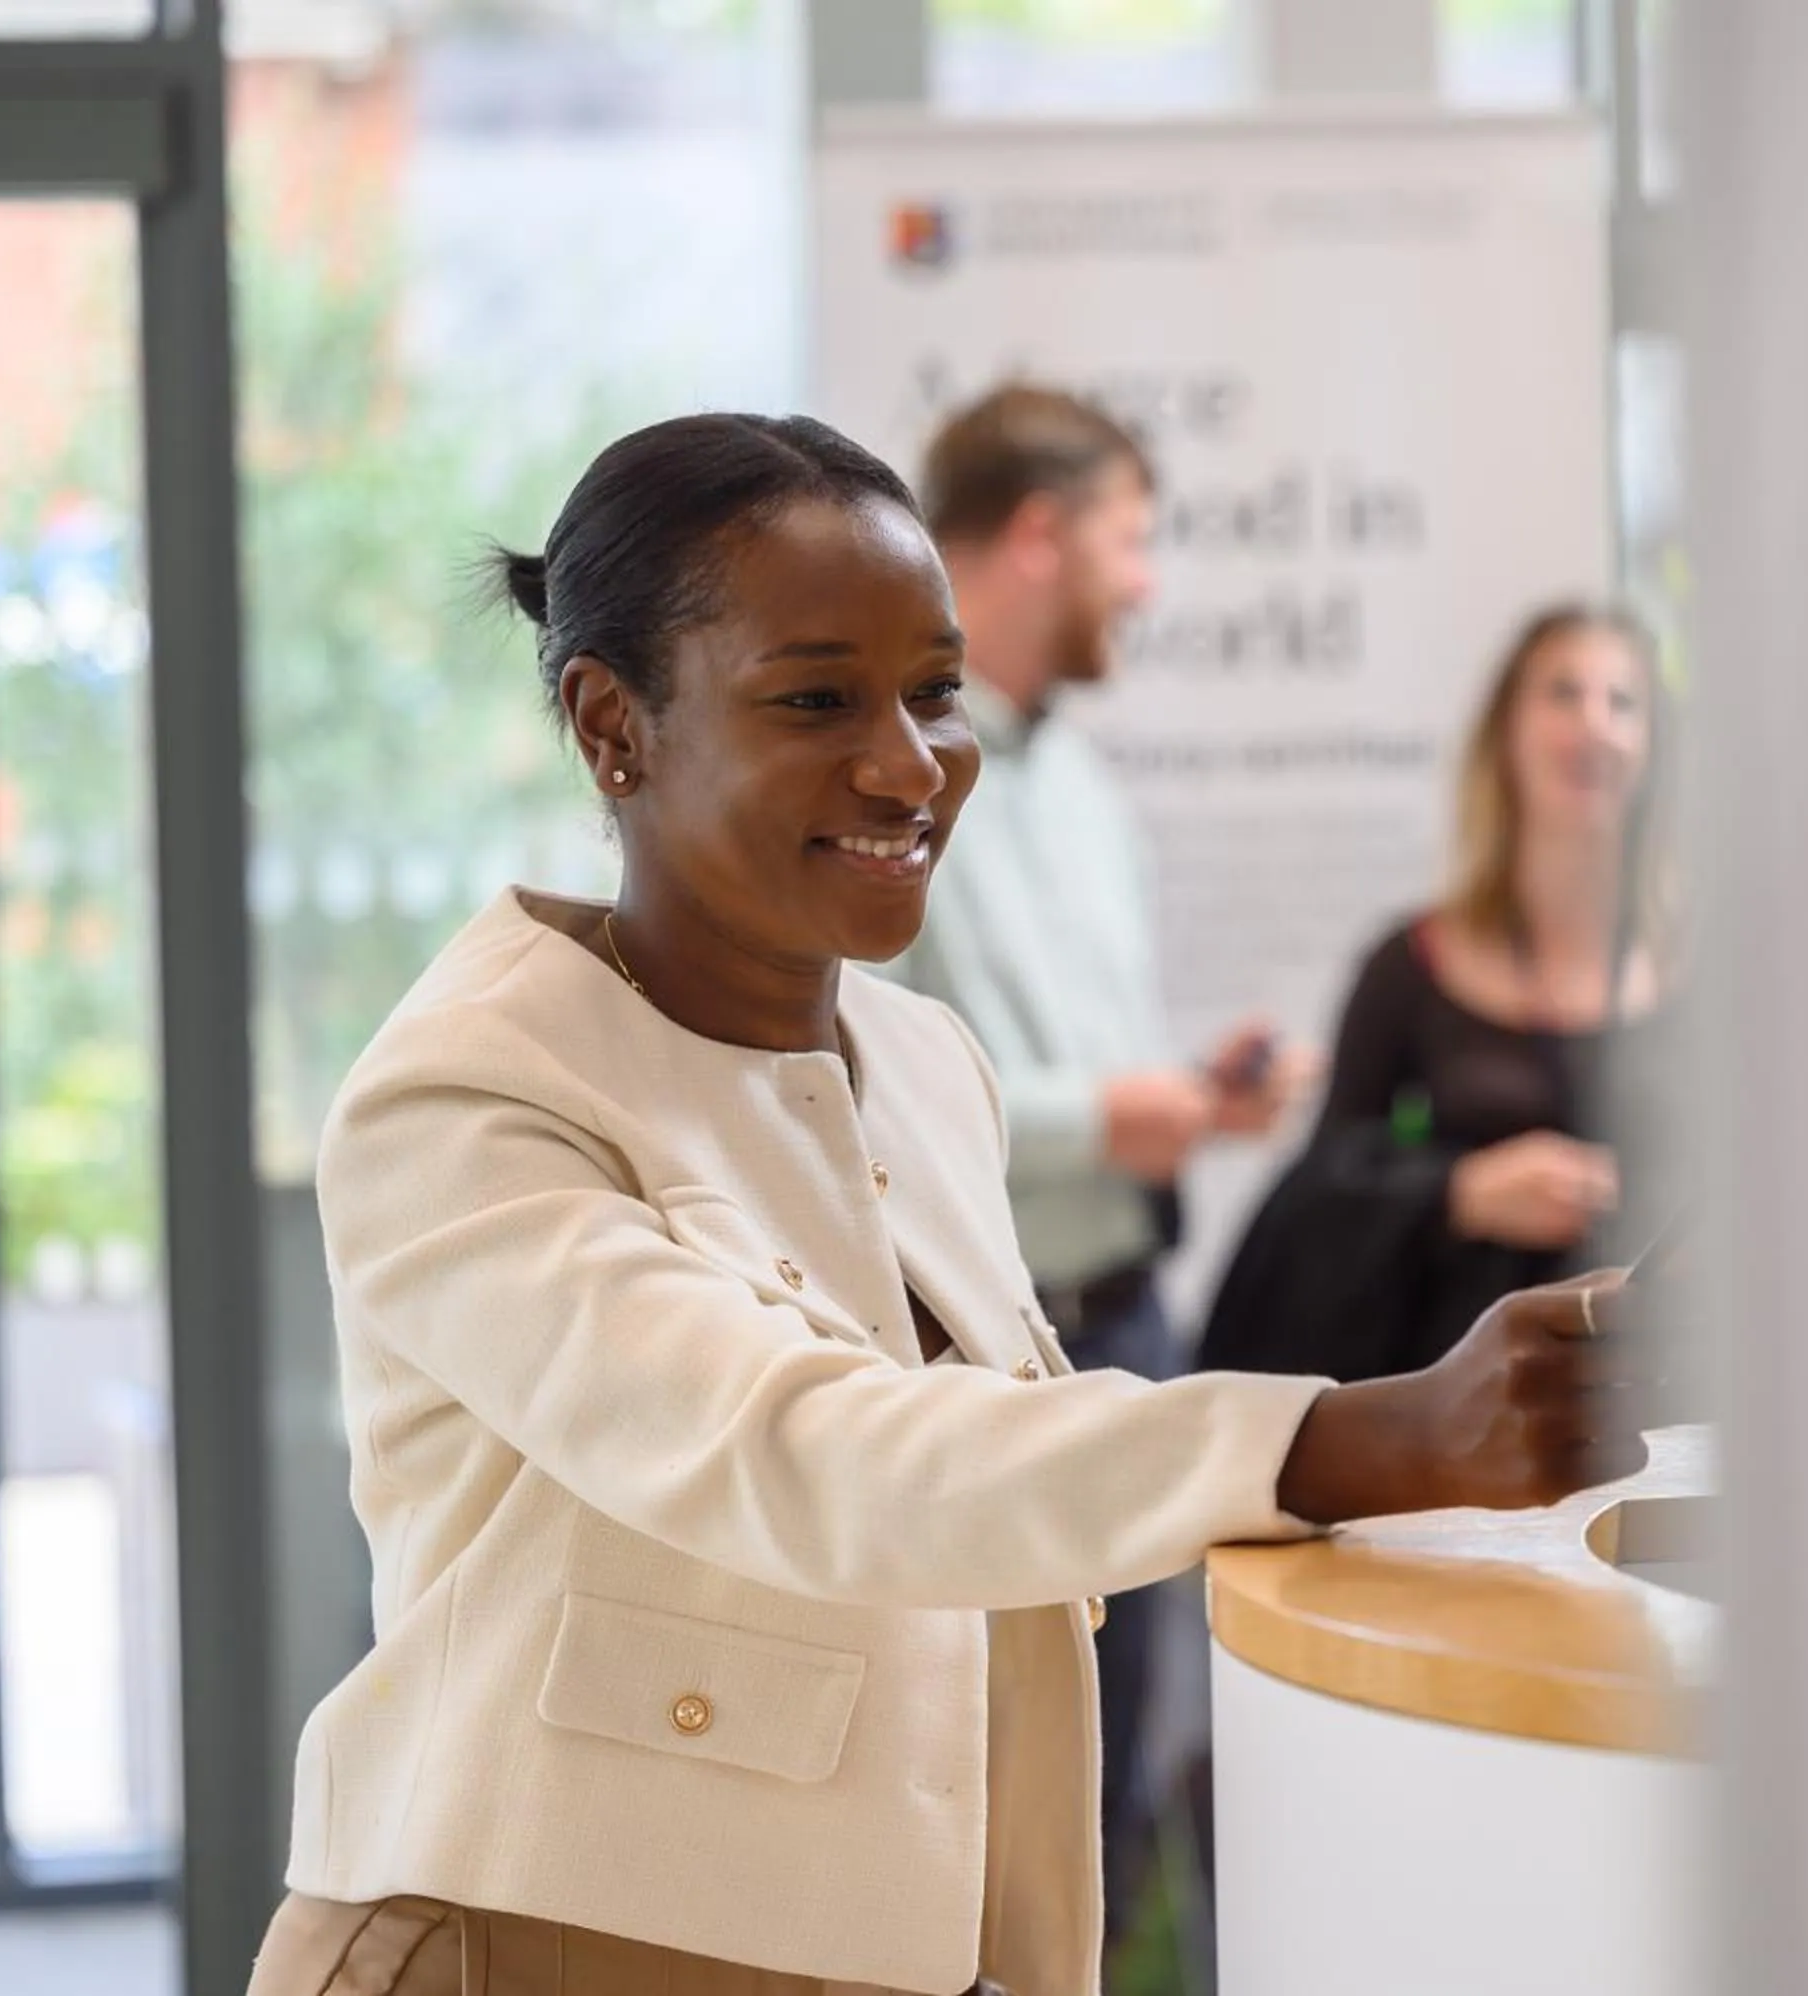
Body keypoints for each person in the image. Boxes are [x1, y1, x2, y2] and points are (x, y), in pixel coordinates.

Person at [245, 414, 1645, 1996]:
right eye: (817, 700)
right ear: (610, 725)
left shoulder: (926, 1063)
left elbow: (987, 1531)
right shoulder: (468, 1096)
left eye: (934, 693)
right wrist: (1354, 1433)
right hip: (518, 1950)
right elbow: (807, 1455)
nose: (911, 765)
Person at [876, 383, 1312, 1956]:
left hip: (1121, 1332)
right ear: (1041, 535)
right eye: (1133, 540)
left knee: (1116, 1805)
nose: (1146, 584)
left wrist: (1188, 1101)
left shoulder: (1082, 790)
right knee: (983, 1829)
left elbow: (1039, 1060)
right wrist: (1101, 1121)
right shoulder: (891, 782)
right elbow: (864, 1078)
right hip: (969, 1355)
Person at [1199, 604, 1682, 1385]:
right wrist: (1462, 1192)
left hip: (1665, 1381)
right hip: (1463, 1389)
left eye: (1621, 701)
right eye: (1563, 693)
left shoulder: (1708, 972)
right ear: (1506, 732)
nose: (1593, 723)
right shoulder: (1411, 964)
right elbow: (1321, 1191)